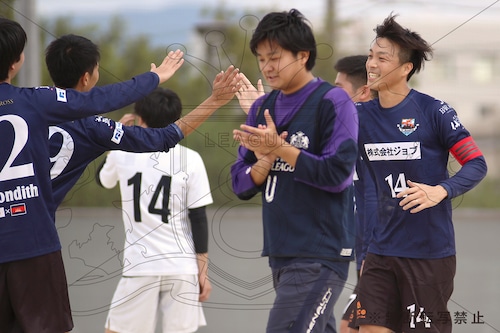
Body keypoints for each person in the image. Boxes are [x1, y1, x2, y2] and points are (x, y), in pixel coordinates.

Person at [0, 17, 184, 333]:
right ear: (16, 62)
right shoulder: (35, 101)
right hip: (32, 241)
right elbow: (100, 101)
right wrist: (154, 78)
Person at [352, 14, 487, 333]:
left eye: (381, 58)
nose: (371, 63)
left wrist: (441, 190)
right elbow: (315, 142)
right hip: (380, 253)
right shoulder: (358, 116)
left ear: (405, 68)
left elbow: (476, 164)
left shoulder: (433, 111)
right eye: (371, 55)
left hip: (429, 255)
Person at [231, 9, 359, 333]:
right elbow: (240, 183)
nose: (267, 67)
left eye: (274, 57)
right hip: (281, 250)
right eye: (261, 59)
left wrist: (279, 150)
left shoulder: (333, 102)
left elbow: (338, 174)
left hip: (321, 252)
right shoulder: (262, 107)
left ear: (303, 55)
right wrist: (265, 160)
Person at [46, 34, 239, 209]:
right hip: (38, 230)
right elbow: (164, 137)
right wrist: (213, 101)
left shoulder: (27, 102)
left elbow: (104, 180)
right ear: (86, 78)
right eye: (97, 68)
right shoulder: (93, 127)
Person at [96, 87, 212, 333]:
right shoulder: (191, 159)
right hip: (181, 266)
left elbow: (102, 179)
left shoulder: (121, 153)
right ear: (177, 120)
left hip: (141, 265)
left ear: (140, 118)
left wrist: (115, 137)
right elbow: (199, 219)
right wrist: (202, 272)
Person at [333, 55, 375, 333]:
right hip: (364, 254)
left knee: (352, 326)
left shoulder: (371, 125)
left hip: (387, 255)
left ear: (364, 90)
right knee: (350, 326)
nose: (331, 94)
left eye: (338, 88)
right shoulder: (342, 128)